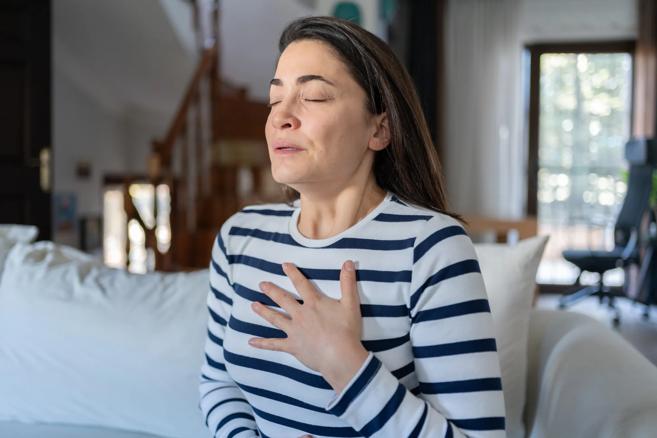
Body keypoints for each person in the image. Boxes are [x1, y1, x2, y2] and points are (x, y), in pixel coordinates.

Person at [199, 16, 506, 438]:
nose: (280, 118)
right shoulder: (240, 236)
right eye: (275, 100)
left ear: (379, 128)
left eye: (314, 96)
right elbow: (218, 382)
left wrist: (344, 361)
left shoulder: (431, 249)